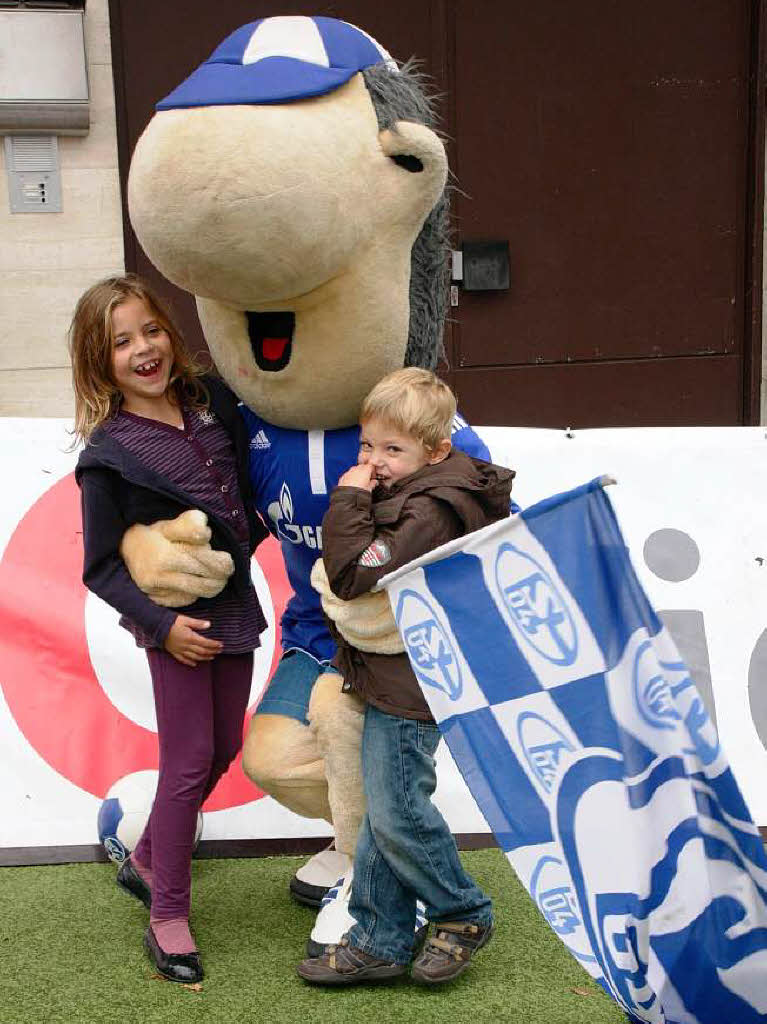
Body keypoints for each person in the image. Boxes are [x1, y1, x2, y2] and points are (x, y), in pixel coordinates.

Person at [70, 274, 268, 984]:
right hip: (176, 631)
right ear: (100, 361)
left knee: (225, 747)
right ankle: (168, 913)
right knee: (187, 763)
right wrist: (161, 626)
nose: (143, 349)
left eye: (150, 330)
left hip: (236, 613)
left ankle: (151, 854)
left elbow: (246, 498)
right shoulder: (108, 454)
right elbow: (100, 567)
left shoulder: (214, 405)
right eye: (121, 342)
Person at [297, 368, 514, 986]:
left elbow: (350, 575)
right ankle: (382, 939)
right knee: (382, 813)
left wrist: (347, 498)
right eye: (368, 446)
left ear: (436, 451)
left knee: (395, 814)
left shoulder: (432, 509)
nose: (375, 461)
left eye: (393, 449)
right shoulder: (413, 495)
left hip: (415, 686)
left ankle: (462, 910)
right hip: (390, 678)